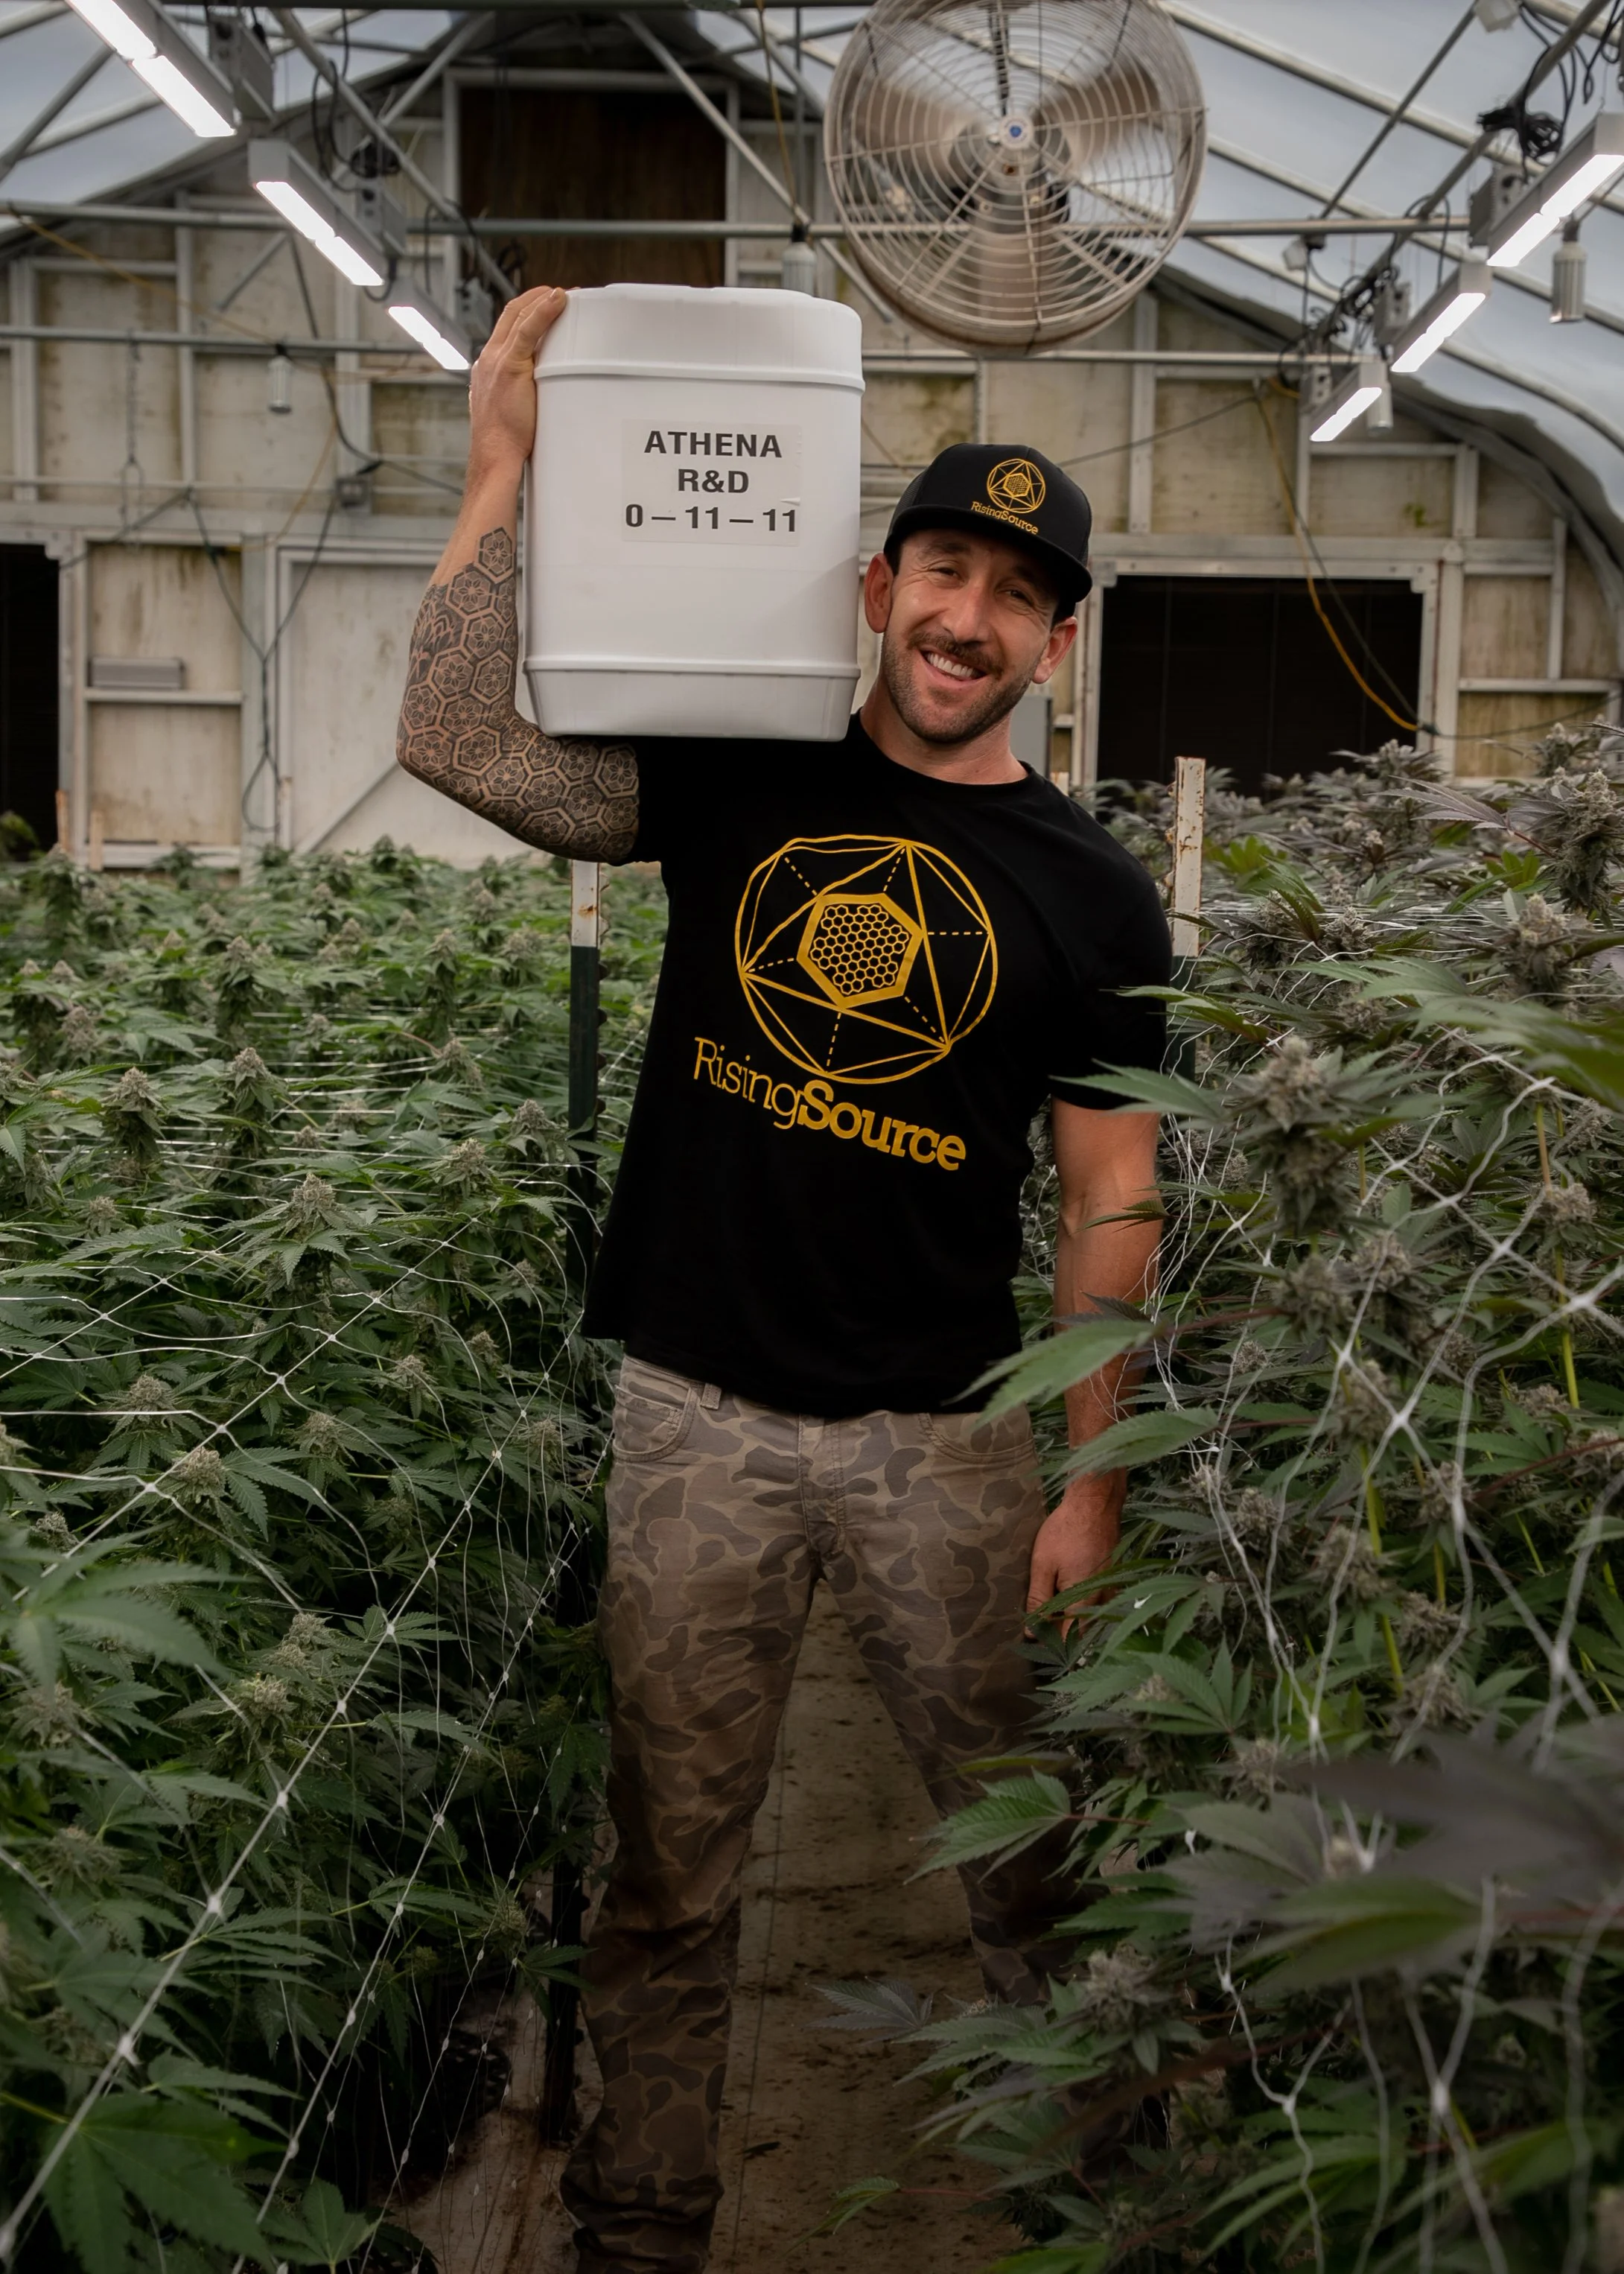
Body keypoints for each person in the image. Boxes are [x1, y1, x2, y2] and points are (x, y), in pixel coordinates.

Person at [396, 284, 1170, 2274]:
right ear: (871, 580)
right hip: (697, 1417)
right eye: (940, 565)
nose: (965, 614)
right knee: (664, 1877)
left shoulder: (1094, 895)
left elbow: (1111, 1196)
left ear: (1052, 640)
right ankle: (640, 2229)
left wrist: (1087, 1482)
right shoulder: (736, 776)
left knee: (1033, 1868)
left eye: (1014, 590)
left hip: (947, 1442)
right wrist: (502, 464)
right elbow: (458, 737)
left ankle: (1102, 2215)